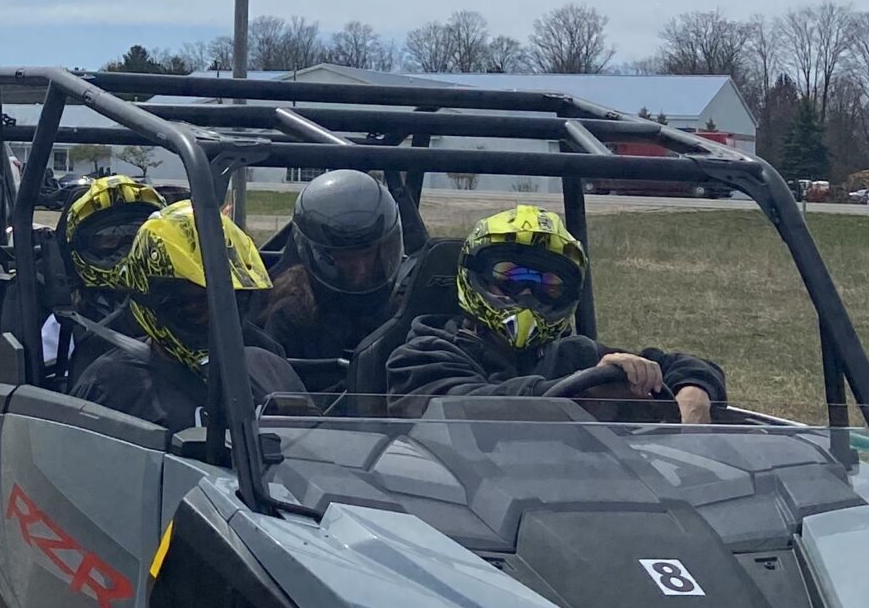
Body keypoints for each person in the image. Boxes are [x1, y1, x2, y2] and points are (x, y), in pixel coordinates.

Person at [386, 204, 725, 422]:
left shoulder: (575, 354)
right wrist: (577, 394)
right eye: (510, 278)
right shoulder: (422, 355)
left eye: (548, 285)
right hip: (452, 513)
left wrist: (693, 391)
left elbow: (683, 366)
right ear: (475, 276)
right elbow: (465, 410)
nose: (526, 296)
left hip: (568, 505)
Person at [71, 200, 300, 429]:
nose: (210, 316)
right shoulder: (111, 384)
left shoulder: (269, 366)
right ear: (151, 297)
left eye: (225, 301)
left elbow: (317, 446)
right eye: (191, 304)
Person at [258, 170, 410, 372]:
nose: (361, 267)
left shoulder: (399, 308)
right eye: (346, 258)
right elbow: (273, 385)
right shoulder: (291, 314)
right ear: (318, 255)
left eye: (368, 254)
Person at [41, 173, 165, 377]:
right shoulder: (66, 321)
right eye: (109, 240)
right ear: (81, 247)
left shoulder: (180, 303)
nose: (127, 252)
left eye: (137, 238)